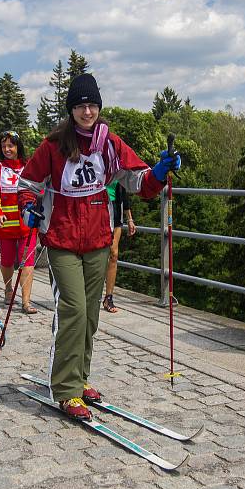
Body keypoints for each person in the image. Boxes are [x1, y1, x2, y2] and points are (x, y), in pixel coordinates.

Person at [17, 73, 180, 420]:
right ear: (71, 109)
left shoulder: (110, 143)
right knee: (73, 309)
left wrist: (161, 171)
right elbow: (28, 182)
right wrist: (29, 206)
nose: (87, 111)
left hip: (97, 240)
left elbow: (139, 181)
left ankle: (80, 378)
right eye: (80, 106)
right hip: (61, 239)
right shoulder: (53, 145)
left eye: (92, 105)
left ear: (99, 107)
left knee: (90, 315)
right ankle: (64, 389)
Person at [0, 130, 37, 314]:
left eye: (11, 145)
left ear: (18, 147)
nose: (7, 149)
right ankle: (8, 289)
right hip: (5, 224)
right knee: (7, 261)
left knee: (27, 261)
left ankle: (26, 301)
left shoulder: (28, 166)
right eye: (4, 146)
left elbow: (38, 188)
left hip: (27, 223)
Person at [102, 180, 136, 313]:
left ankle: (108, 297)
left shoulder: (118, 165)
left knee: (113, 254)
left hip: (116, 208)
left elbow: (123, 190)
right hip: (96, 208)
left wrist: (130, 218)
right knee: (95, 254)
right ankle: (88, 294)